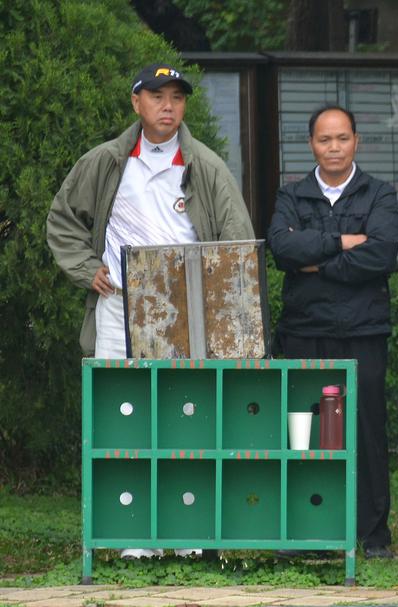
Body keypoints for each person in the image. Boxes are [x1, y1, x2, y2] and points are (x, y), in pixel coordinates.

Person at [47, 62, 254, 559]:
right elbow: (63, 220)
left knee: (187, 415)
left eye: (177, 97)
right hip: (118, 307)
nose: (168, 106)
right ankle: (132, 538)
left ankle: (185, 538)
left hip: (188, 311)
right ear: (136, 101)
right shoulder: (106, 161)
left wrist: (218, 301)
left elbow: (238, 239)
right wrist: (86, 267)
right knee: (125, 416)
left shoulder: (204, 165)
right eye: (157, 96)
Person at [266, 105, 398, 559]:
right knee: (304, 433)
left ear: (356, 141)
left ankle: (372, 534)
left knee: (364, 430)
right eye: (325, 140)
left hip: (363, 331)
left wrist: (315, 263)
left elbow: (381, 254)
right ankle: (307, 530)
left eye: (342, 138)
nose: (334, 148)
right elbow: (281, 247)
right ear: (311, 145)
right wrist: (345, 242)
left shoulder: (379, 194)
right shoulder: (292, 195)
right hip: (304, 331)